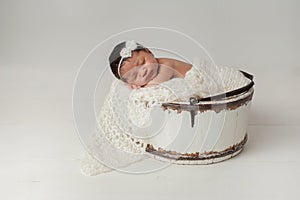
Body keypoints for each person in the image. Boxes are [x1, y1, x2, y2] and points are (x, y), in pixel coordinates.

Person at [109, 40, 192, 89]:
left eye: (142, 62)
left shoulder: (166, 66)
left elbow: (154, 87)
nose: (143, 72)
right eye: (135, 76)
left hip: (201, 82)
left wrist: (139, 89)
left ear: (149, 52)